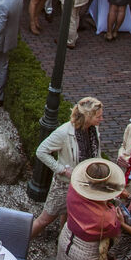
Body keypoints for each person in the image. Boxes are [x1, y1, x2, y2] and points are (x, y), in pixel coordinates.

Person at [38, 159, 124, 260]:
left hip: (67, 237)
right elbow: (114, 230)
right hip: (87, 253)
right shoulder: (106, 217)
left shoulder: (74, 188)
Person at [31, 96, 103, 238]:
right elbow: (41, 151)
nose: (102, 119)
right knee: (44, 219)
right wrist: (62, 170)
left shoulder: (93, 130)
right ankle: (17, 247)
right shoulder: (64, 132)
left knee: (69, 216)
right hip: (64, 186)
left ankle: (62, 243)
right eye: (99, 116)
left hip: (82, 186)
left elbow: (96, 154)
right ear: (88, 116)